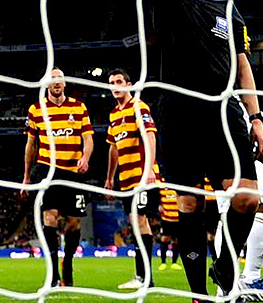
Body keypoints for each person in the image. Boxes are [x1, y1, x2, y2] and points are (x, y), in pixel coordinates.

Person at [121, 0, 263, 303]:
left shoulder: (228, 7)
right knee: (188, 204)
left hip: (225, 114)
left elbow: (243, 66)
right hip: (178, 112)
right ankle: (200, 297)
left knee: (246, 197)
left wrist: (257, 120)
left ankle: (227, 268)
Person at [22, 69, 94, 288]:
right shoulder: (36, 109)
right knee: (49, 218)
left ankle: (68, 262)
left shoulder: (79, 107)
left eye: (60, 79)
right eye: (52, 80)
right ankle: (53, 274)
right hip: (47, 171)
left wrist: (85, 157)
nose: (56, 83)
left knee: (73, 224)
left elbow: (88, 139)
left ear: (64, 83)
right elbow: (31, 145)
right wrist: (26, 176)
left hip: (73, 173)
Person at [215, 105, 263, 303]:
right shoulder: (220, 81)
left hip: (245, 149)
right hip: (225, 148)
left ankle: (250, 279)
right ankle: (228, 283)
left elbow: (247, 117)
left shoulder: (240, 90)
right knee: (231, 209)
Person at [105, 68, 160, 290]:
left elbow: (150, 136)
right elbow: (113, 149)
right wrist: (109, 179)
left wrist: (148, 171)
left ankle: (143, 277)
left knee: (139, 222)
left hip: (141, 177)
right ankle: (143, 277)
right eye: (111, 83)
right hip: (125, 180)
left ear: (128, 85)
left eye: (119, 81)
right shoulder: (113, 114)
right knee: (137, 223)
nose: (115, 86)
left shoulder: (139, 106)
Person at [157, 186, 181, 271]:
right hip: (166, 219)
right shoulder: (163, 187)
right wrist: (159, 205)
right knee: (164, 239)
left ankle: (174, 263)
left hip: (178, 219)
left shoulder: (179, 187)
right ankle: (163, 262)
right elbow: (158, 198)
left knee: (177, 240)